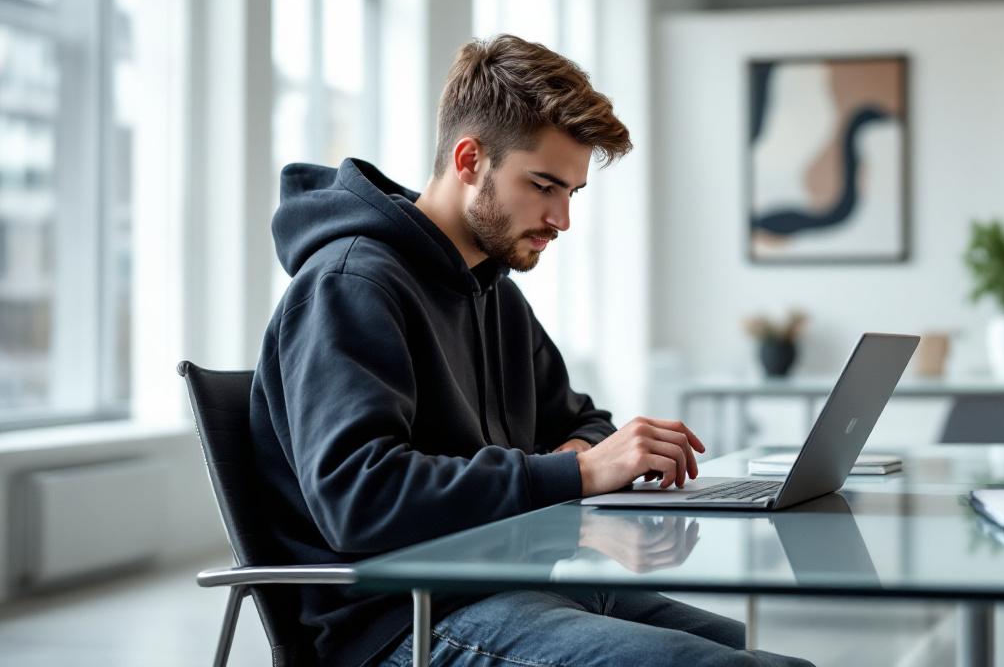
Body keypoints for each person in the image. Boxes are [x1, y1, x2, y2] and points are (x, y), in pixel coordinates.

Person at [251, 34, 813, 667]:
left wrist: (583, 455)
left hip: (513, 579)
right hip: (404, 617)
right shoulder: (350, 284)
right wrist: (578, 472)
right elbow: (360, 497)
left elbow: (580, 421)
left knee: (754, 653)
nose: (561, 219)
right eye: (543, 185)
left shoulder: (494, 290)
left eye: (571, 192)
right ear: (469, 159)